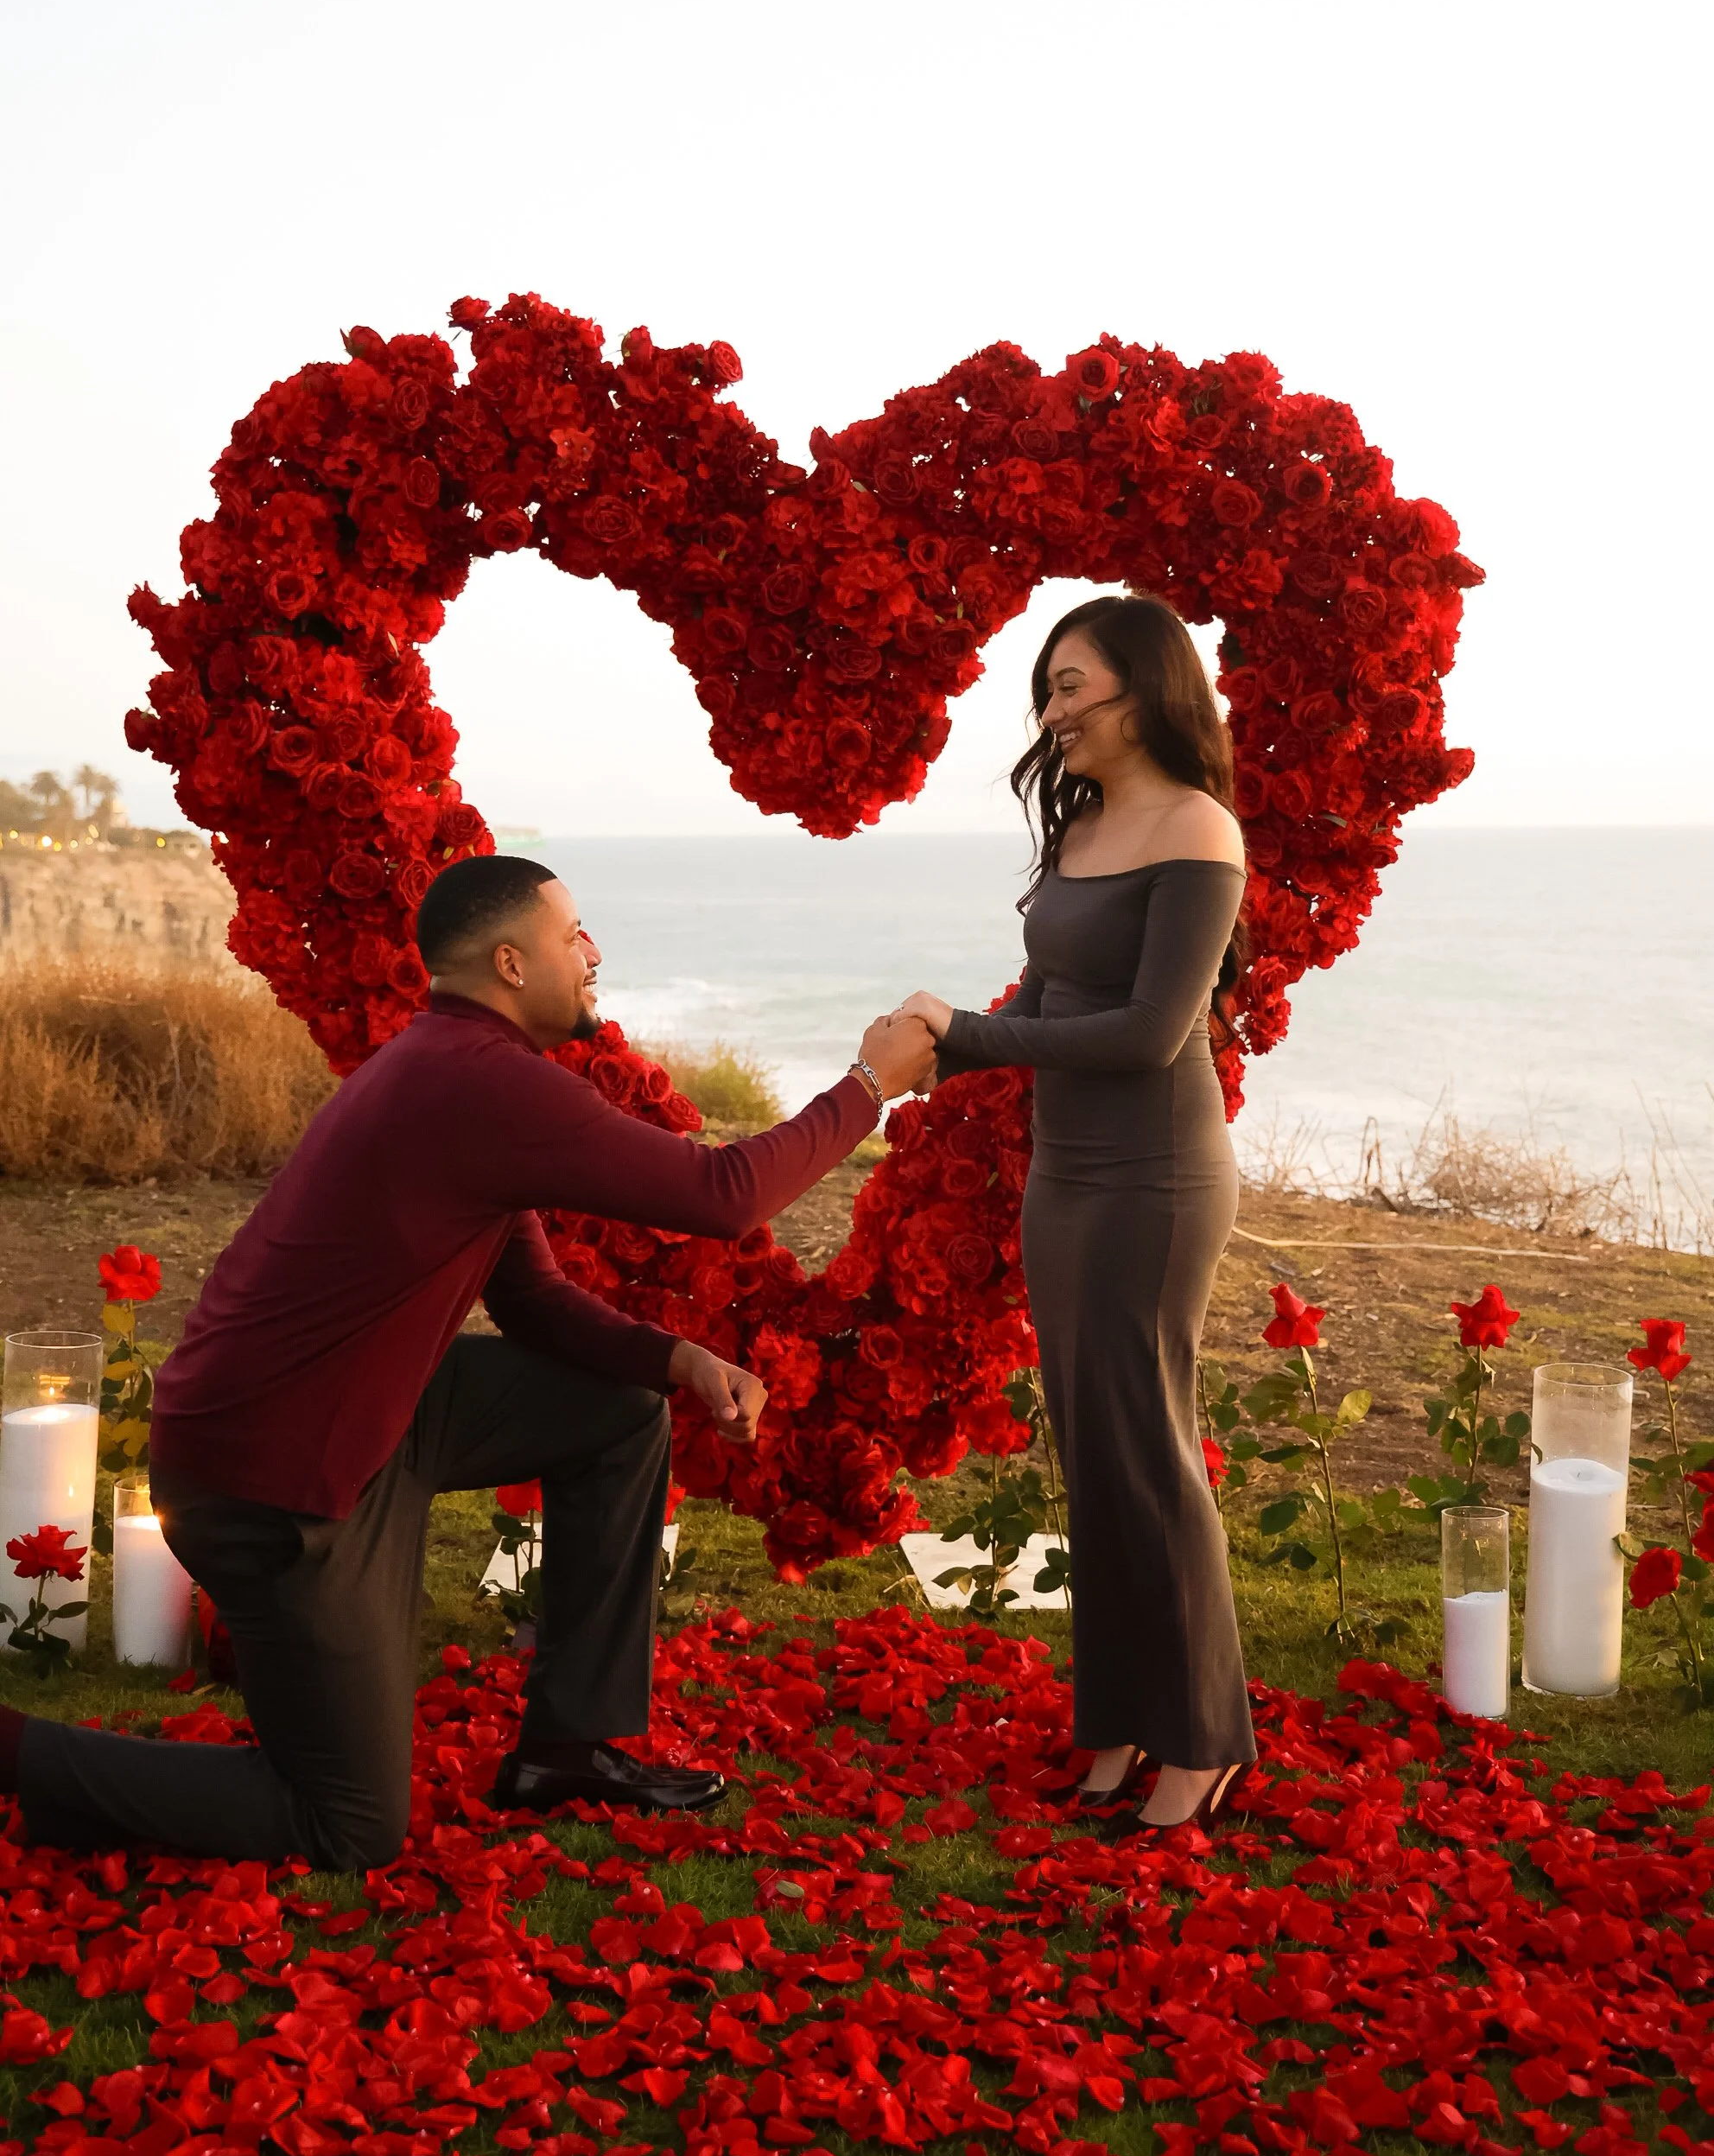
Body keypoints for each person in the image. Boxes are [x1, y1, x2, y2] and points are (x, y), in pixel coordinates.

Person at [0, 856, 935, 1867]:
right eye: (574, 935)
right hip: (270, 1477)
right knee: (346, 1823)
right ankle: (22, 1753)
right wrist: (870, 1082)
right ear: (507, 961)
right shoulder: (475, 1081)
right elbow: (722, 1194)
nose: (594, 954)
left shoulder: (454, 1071)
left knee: (620, 1407)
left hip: (368, 1419)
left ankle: (569, 1749)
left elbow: (530, 1302)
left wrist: (676, 1359)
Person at [894, 593, 1254, 1835]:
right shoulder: (1088, 821)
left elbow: (1156, 1034)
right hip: (1066, 1178)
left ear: (1144, 692)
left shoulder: (1198, 830)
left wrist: (963, 1037)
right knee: (1093, 1460)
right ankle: (1113, 1726)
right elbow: (1049, 990)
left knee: (1148, 1451)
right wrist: (942, 1048)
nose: (1053, 714)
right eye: (1046, 691)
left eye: (1071, 687)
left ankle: (1202, 1740)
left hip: (1154, 1182)